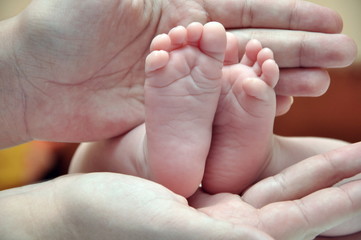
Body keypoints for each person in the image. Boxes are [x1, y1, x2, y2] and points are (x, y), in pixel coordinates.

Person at [0, 0, 359, 239]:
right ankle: (266, 157)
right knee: (333, 166)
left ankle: (154, 155)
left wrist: (19, 74)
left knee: (99, 158)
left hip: (104, 184)